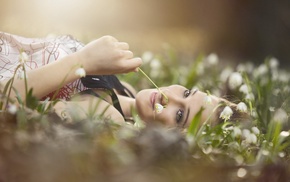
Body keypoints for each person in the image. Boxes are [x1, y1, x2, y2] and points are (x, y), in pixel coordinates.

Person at [0, 32, 250, 128]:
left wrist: (83, 60)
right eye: (186, 94)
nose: (169, 97)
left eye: (178, 115)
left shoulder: (110, 117)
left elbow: (5, 101)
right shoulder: (125, 89)